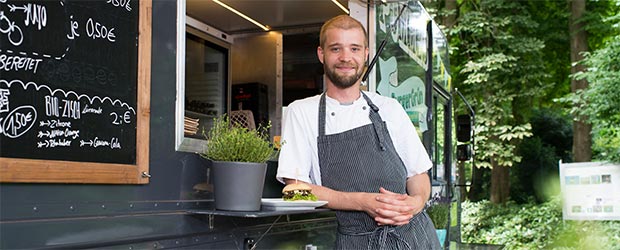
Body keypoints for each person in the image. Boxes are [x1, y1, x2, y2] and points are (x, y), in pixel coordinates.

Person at [276, 15, 441, 249]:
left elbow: (417, 174)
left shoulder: (389, 109)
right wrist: (362, 201)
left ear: (365, 54)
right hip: (356, 241)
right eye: (336, 49)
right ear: (321, 54)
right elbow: (294, 191)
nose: (346, 57)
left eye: (354, 48)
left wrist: (414, 203)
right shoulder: (301, 112)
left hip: (414, 237)